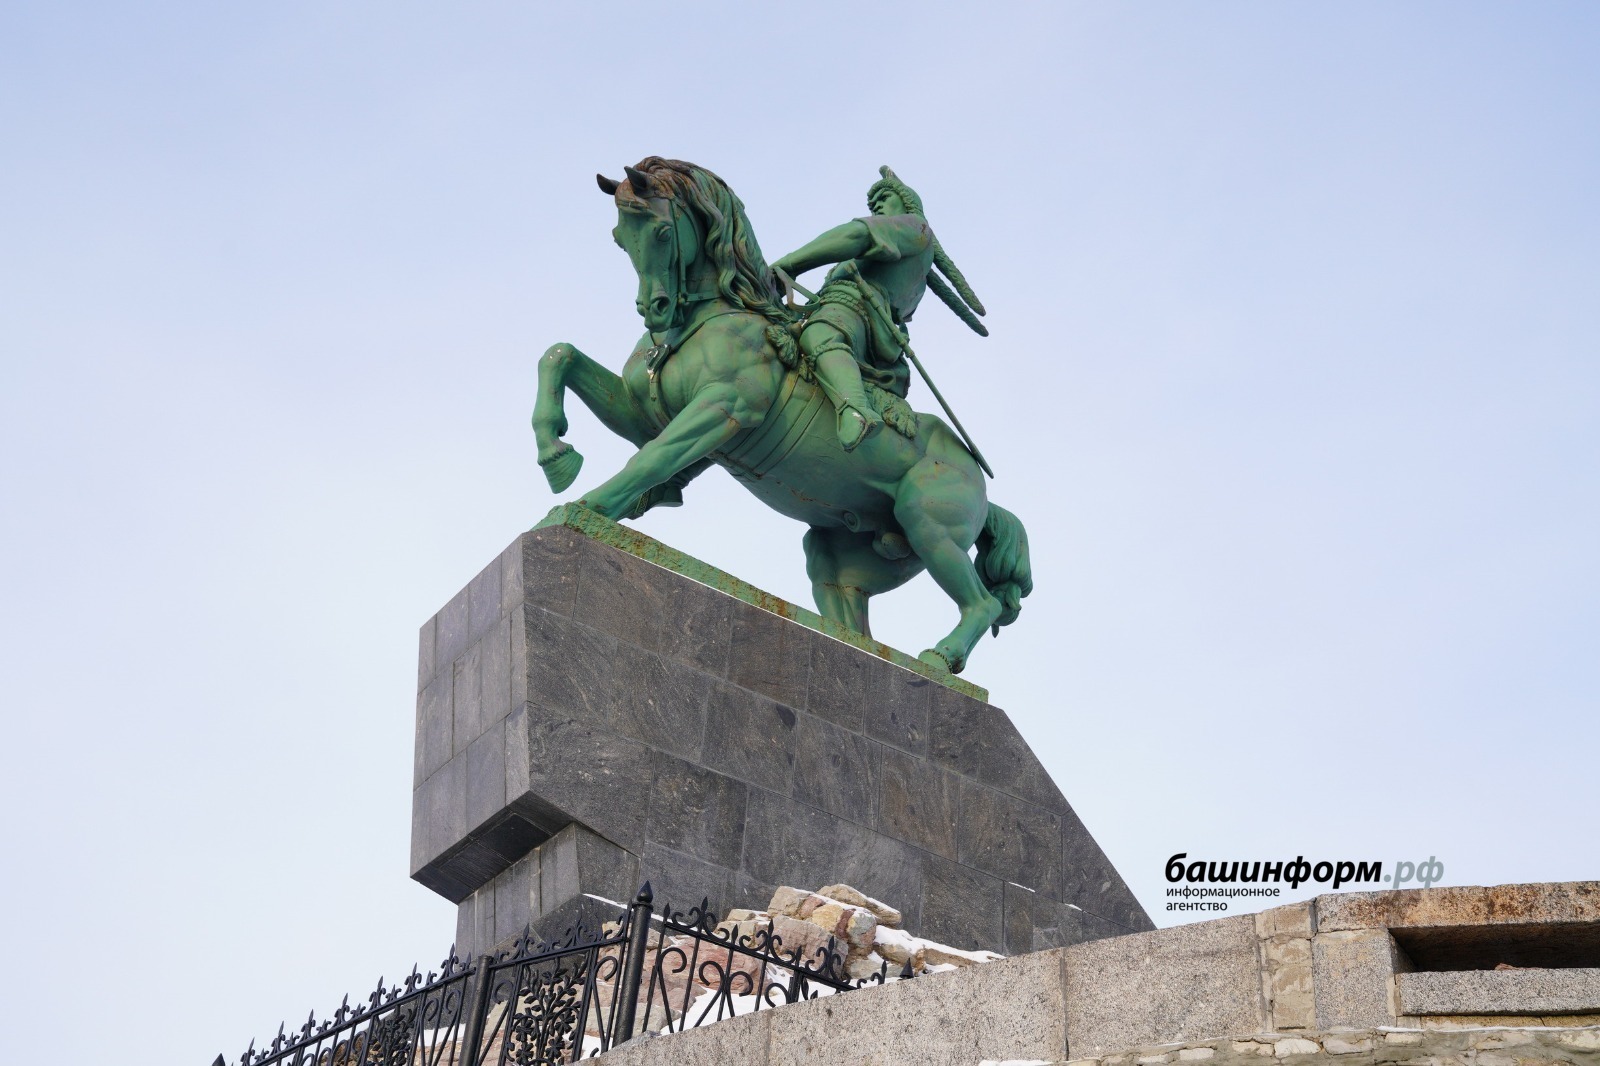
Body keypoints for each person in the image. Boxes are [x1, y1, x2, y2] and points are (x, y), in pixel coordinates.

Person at [771, 166, 987, 450]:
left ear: (908, 204)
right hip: (844, 310)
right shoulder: (916, 252)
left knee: (819, 336)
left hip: (858, 312)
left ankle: (855, 410)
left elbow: (856, 236)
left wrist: (787, 264)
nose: (876, 206)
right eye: (873, 205)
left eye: (884, 197)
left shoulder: (914, 227)